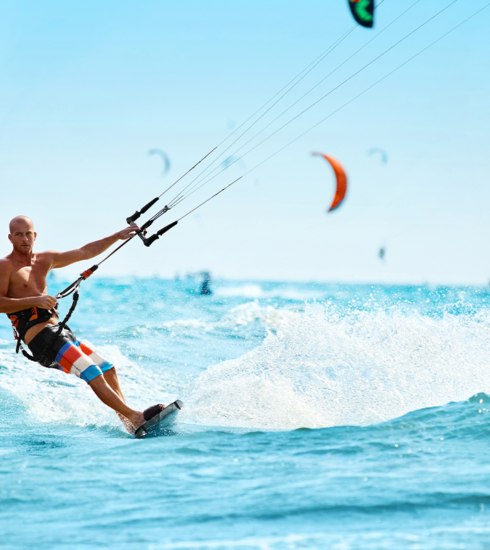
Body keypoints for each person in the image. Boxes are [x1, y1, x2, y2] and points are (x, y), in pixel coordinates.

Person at [0, 215, 164, 434]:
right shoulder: (5, 266)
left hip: (58, 332)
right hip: (41, 339)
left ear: (35, 235)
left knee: (108, 369)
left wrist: (116, 236)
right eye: (18, 234)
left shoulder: (44, 259)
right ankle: (135, 416)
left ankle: (129, 424)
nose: (24, 239)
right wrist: (35, 300)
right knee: (91, 370)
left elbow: (85, 252)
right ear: (10, 238)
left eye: (28, 233)